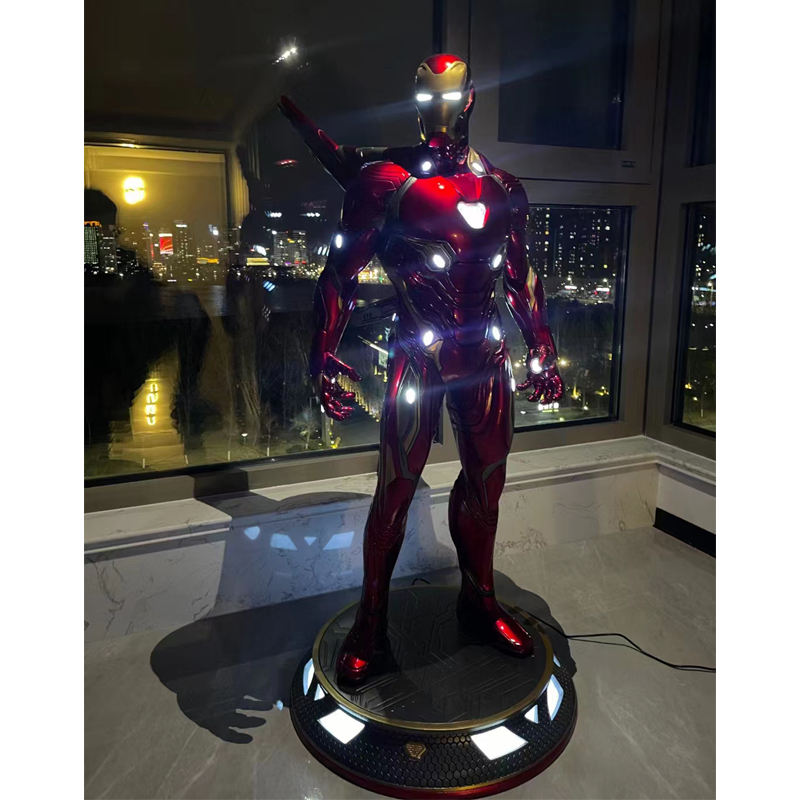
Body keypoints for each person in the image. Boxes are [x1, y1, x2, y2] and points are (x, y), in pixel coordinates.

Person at [281, 54, 563, 684]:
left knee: (487, 483)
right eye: (427, 94)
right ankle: (371, 622)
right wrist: (321, 350)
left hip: (484, 354)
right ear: (415, 100)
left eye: (449, 94)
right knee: (396, 489)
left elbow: (521, 276)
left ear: (469, 99)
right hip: (417, 350)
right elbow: (340, 274)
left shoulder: (504, 187)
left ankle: (479, 599)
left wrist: (541, 343)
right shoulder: (386, 181)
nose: (439, 106)